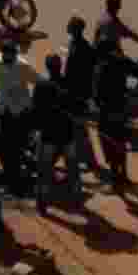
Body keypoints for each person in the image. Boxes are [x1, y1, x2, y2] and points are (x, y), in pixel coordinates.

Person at [30, 53, 83, 215]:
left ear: (47, 66)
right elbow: (77, 108)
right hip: (67, 135)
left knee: (44, 171)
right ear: (60, 66)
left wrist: (36, 129)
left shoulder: (41, 84)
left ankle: (42, 205)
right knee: (73, 169)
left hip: (48, 136)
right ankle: (76, 200)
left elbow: (35, 111)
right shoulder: (69, 83)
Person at [0, 41, 35, 195]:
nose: (11, 57)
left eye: (13, 55)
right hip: (4, 110)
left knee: (16, 144)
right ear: (3, 54)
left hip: (21, 112)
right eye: (9, 55)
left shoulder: (22, 65)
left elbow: (36, 80)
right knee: (2, 143)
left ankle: (16, 173)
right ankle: (12, 171)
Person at [62, 16, 104, 178]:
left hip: (76, 97)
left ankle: (90, 161)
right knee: (79, 130)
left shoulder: (76, 49)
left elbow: (70, 75)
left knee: (79, 130)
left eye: (69, 26)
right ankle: (86, 159)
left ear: (73, 29)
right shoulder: (84, 46)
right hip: (83, 95)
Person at [91, 26, 130, 190]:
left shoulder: (101, 69)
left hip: (107, 115)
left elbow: (97, 95)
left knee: (110, 146)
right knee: (121, 144)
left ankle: (116, 181)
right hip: (121, 111)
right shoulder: (121, 62)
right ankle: (124, 176)